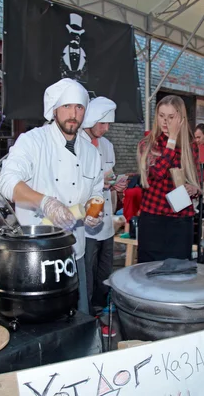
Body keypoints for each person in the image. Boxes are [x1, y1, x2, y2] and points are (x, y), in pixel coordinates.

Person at [0, 78, 103, 315]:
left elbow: (95, 192)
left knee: (77, 319)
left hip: (75, 253)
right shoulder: (33, 141)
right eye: (66, 107)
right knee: (43, 323)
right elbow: (6, 181)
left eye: (79, 107)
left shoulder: (91, 153)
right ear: (54, 109)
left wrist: (95, 213)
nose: (73, 114)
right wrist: (46, 202)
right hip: (36, 256)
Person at [136, 95, 201, 263]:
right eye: (161, 116)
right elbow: (157, 173)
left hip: (180, 219)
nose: (165, 122)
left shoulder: (190, 145)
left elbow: (197, 183)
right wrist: (171, 140)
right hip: (152, 217)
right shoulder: (148, 143)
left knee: (178, 274)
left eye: (171, 117)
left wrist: (194, 189)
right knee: (148, 271)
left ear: (181, 118)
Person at [79, 97, 124, 312]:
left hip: (106, 220)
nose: (106, 129)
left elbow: (109, 174)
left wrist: (115, 184)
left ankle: (100, 308)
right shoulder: (76, 145)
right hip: (86, 223)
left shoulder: (107, 146)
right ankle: (85, 312)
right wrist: (98, 183)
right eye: (102, 123)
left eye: (108, 124)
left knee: (105, 269)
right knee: (87, 269)